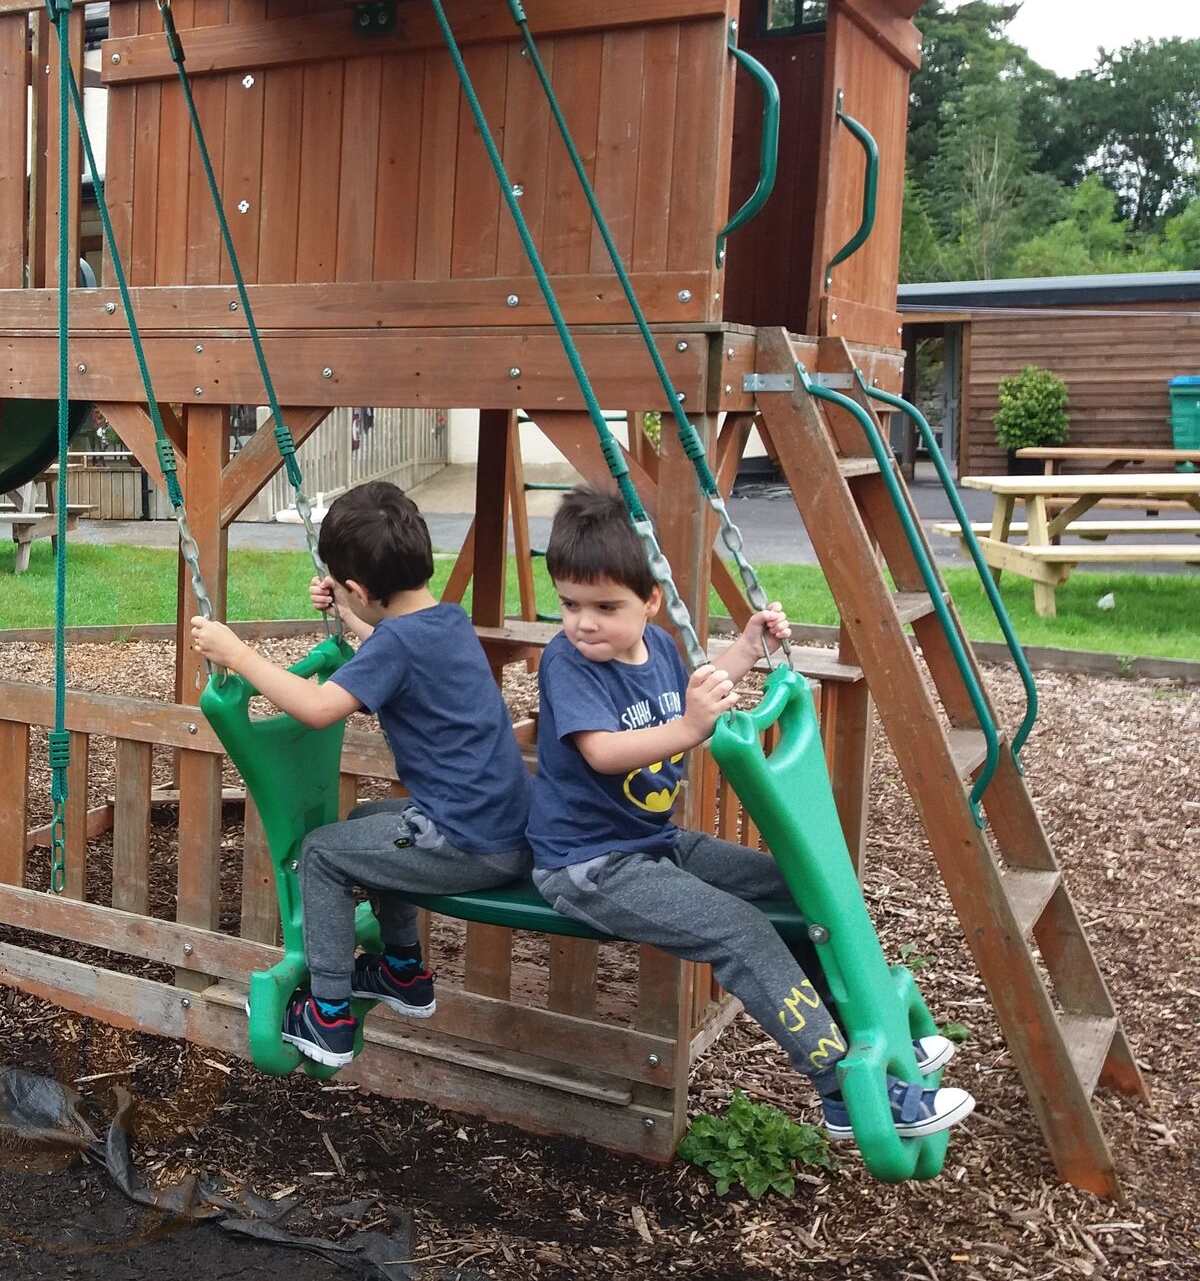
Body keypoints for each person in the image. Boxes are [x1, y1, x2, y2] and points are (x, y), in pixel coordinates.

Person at [530, 484, 973, 1139]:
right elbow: (601, 753)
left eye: (604, 606)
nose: (583, 623)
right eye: (570, 604)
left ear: (651, 601)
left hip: (654, 842)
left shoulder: (661, 649)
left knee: (795, 886)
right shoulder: (569, 663)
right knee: (740, 930)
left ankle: (854, 1023)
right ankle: (846, 1090)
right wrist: (689, 728)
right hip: (589, 864)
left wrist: (745, 648)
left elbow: (701, 689)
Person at [189, 480, 530, 1068]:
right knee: (369, 820)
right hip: (504, 829)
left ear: (361, 587)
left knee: (322, 852)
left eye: (347, 591)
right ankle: (402, 970)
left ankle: (328, 1017)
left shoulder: (397, 646)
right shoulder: (447, 621)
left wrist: (237, 654)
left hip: (468, 843)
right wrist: (350, 614)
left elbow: (319, 708)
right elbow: (392, 648)